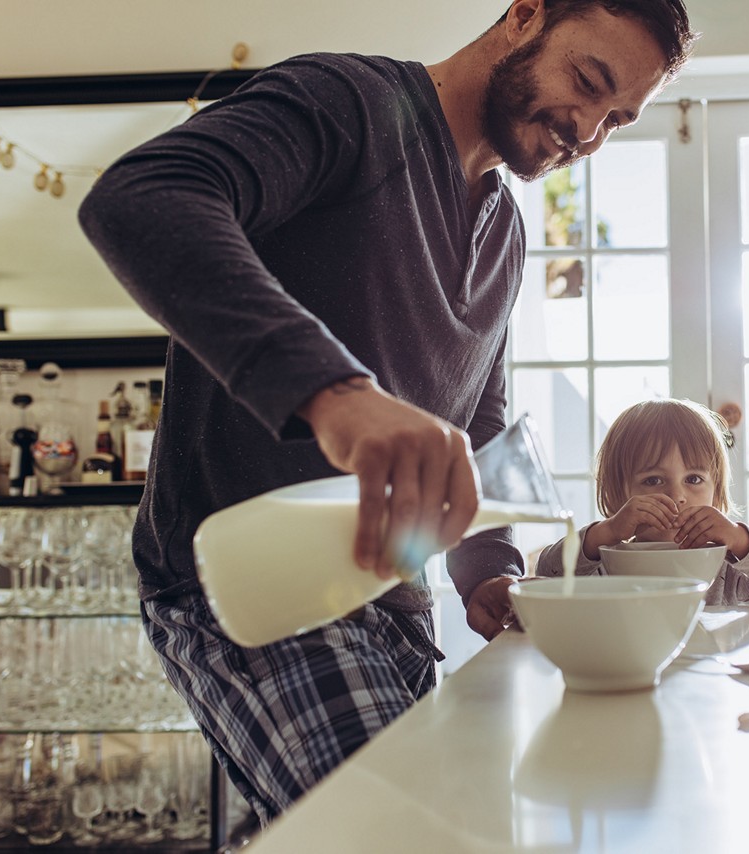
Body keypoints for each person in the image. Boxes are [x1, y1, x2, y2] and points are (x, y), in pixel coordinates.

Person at [78, 0, 697, 824]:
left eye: (616, 119)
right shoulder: (352, 105)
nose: (586, 131)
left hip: (391, 605)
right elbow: (141, 197)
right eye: (587, 82)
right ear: (525, 16)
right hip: (254, 584)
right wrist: (338, 395)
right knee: (404, 832)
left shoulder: (505, 234)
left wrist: (488, 573)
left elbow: (479, 423)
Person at [535, 398, 749, 605]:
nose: (676, 496)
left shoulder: (731, 565)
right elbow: (547, 576)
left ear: (717, 492)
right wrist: (606, 531)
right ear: (616, 495)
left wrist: (740, 539)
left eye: (693, 479)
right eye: (653, 481)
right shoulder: (605, 561)